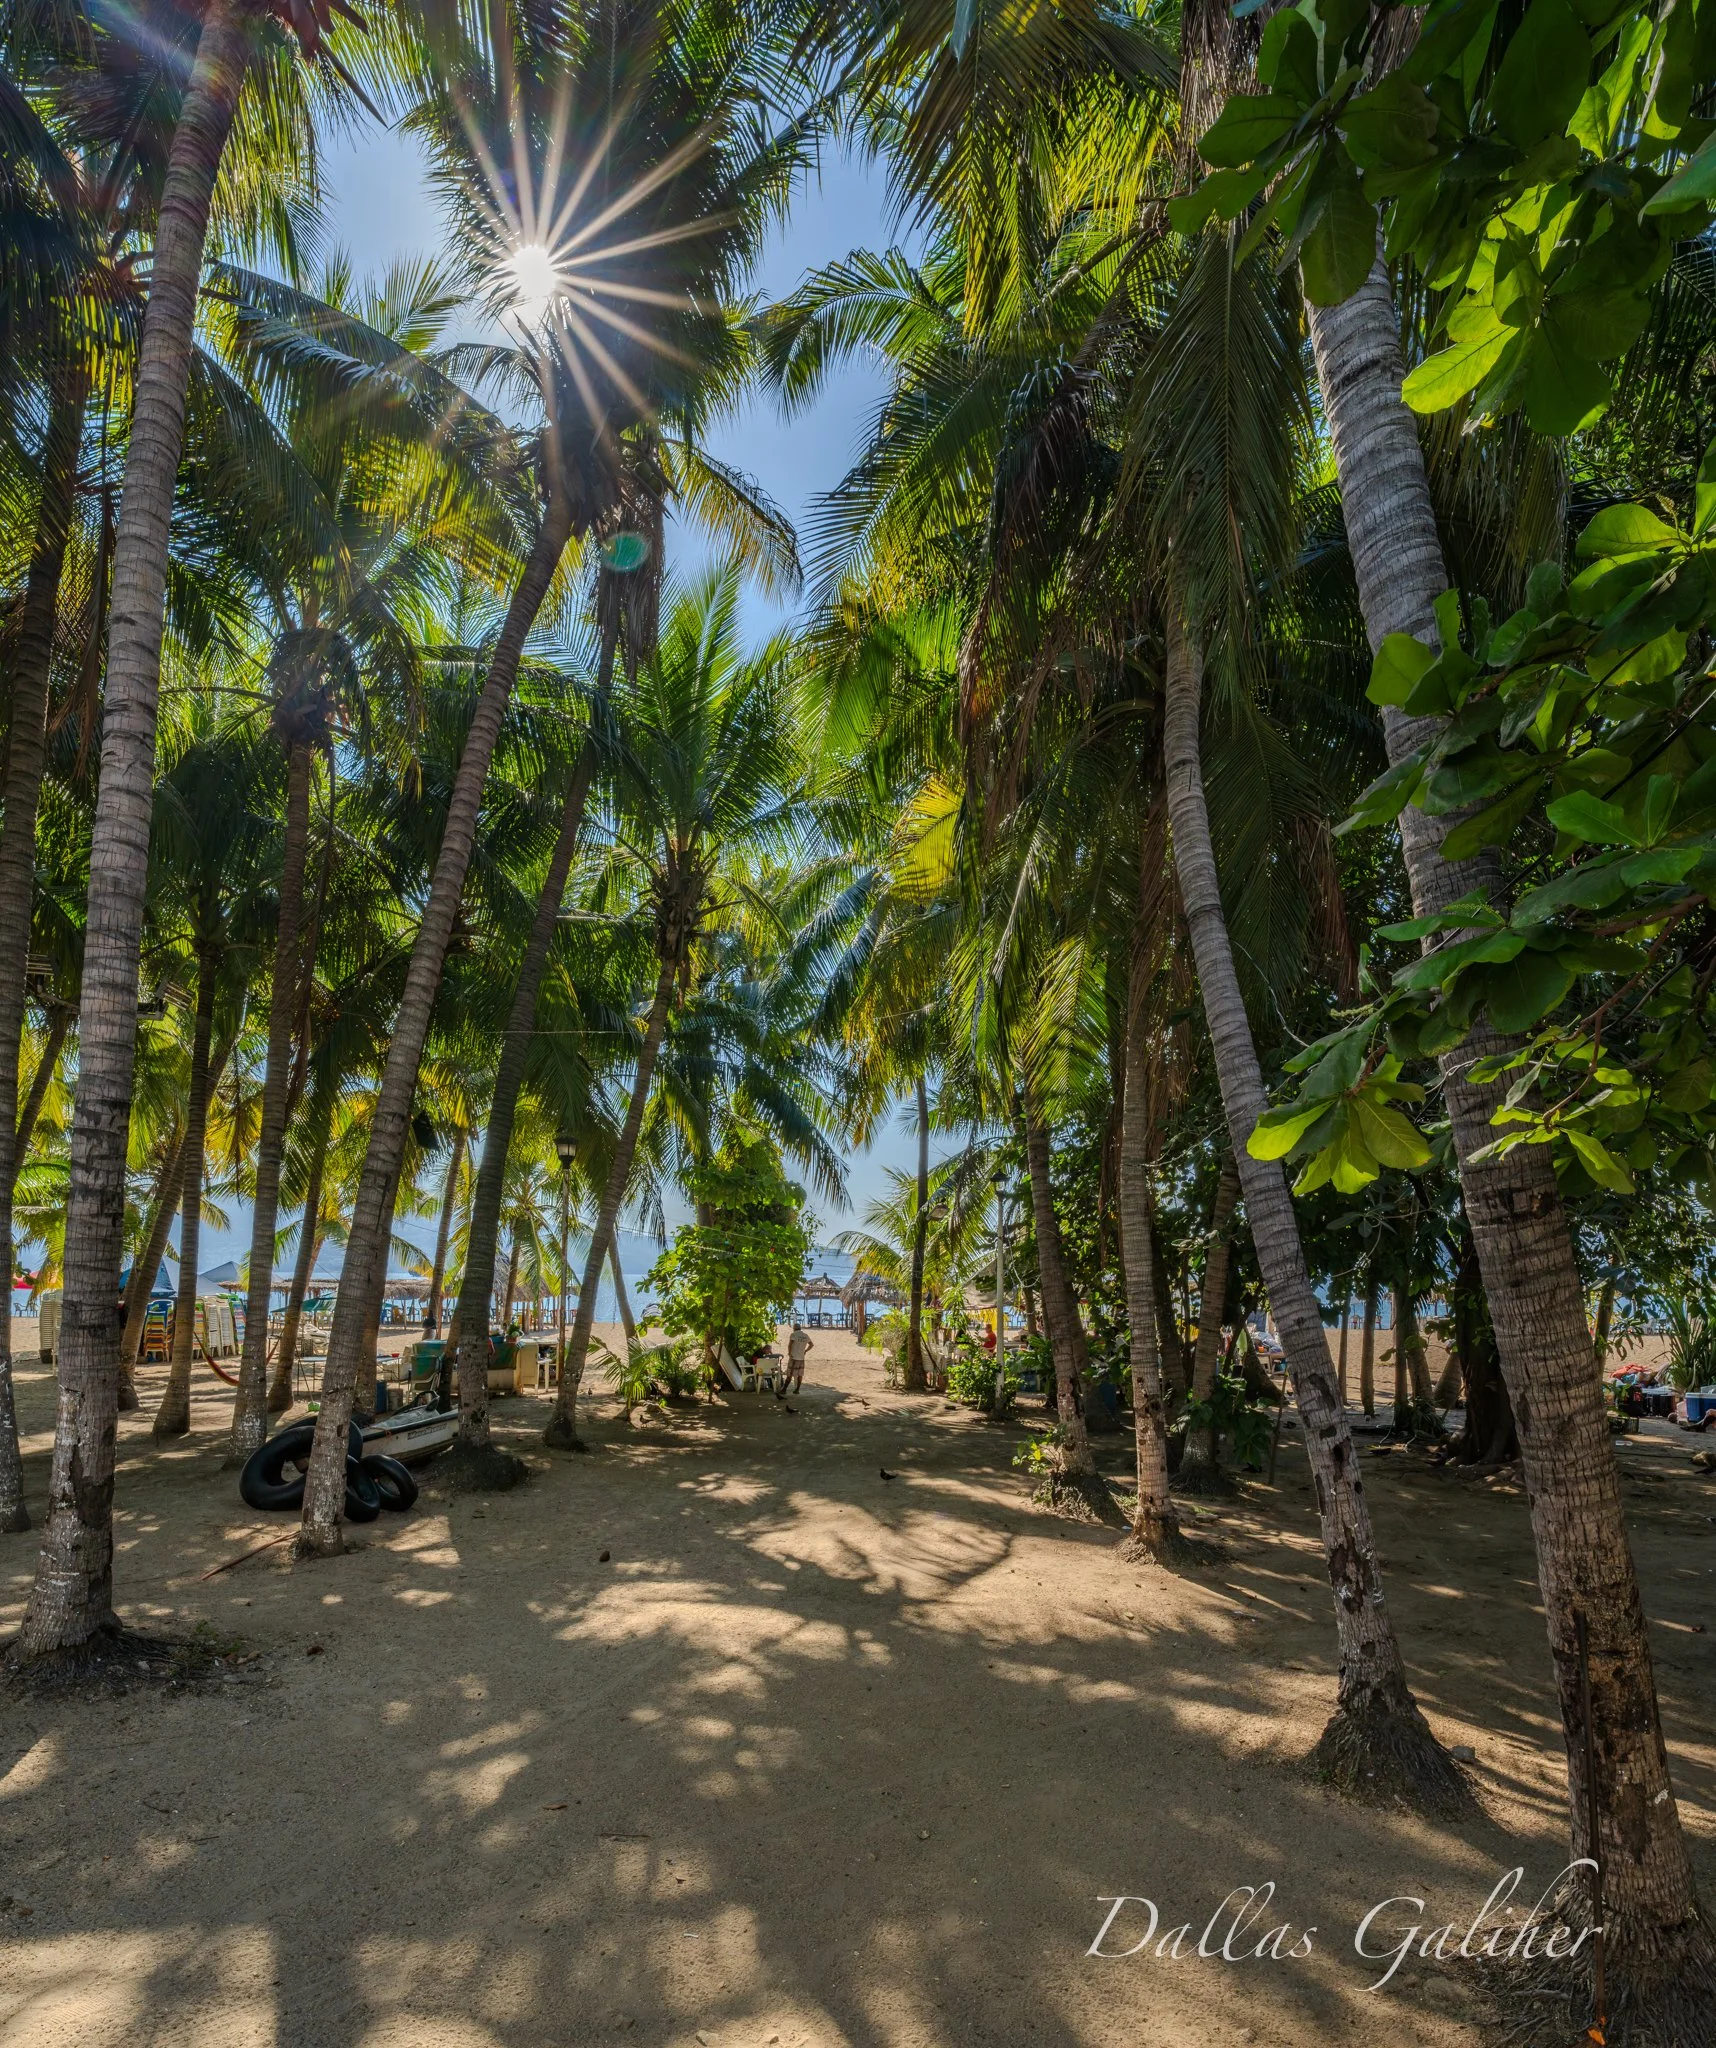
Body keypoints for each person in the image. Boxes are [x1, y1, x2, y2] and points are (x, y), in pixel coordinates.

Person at [779, 1320, 811, 1398]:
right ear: (800, 1328)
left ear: (794, 1328)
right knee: (800, 1374)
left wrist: (789, 1353)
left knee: (790, 1373)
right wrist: (805, 1351)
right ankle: (797, 1389)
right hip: (801, 1358)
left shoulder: (793, 1334)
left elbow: (790, 1345)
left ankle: (784, 1389)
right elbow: (811, 1344)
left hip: (794, 1357)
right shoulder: (805, 1335)